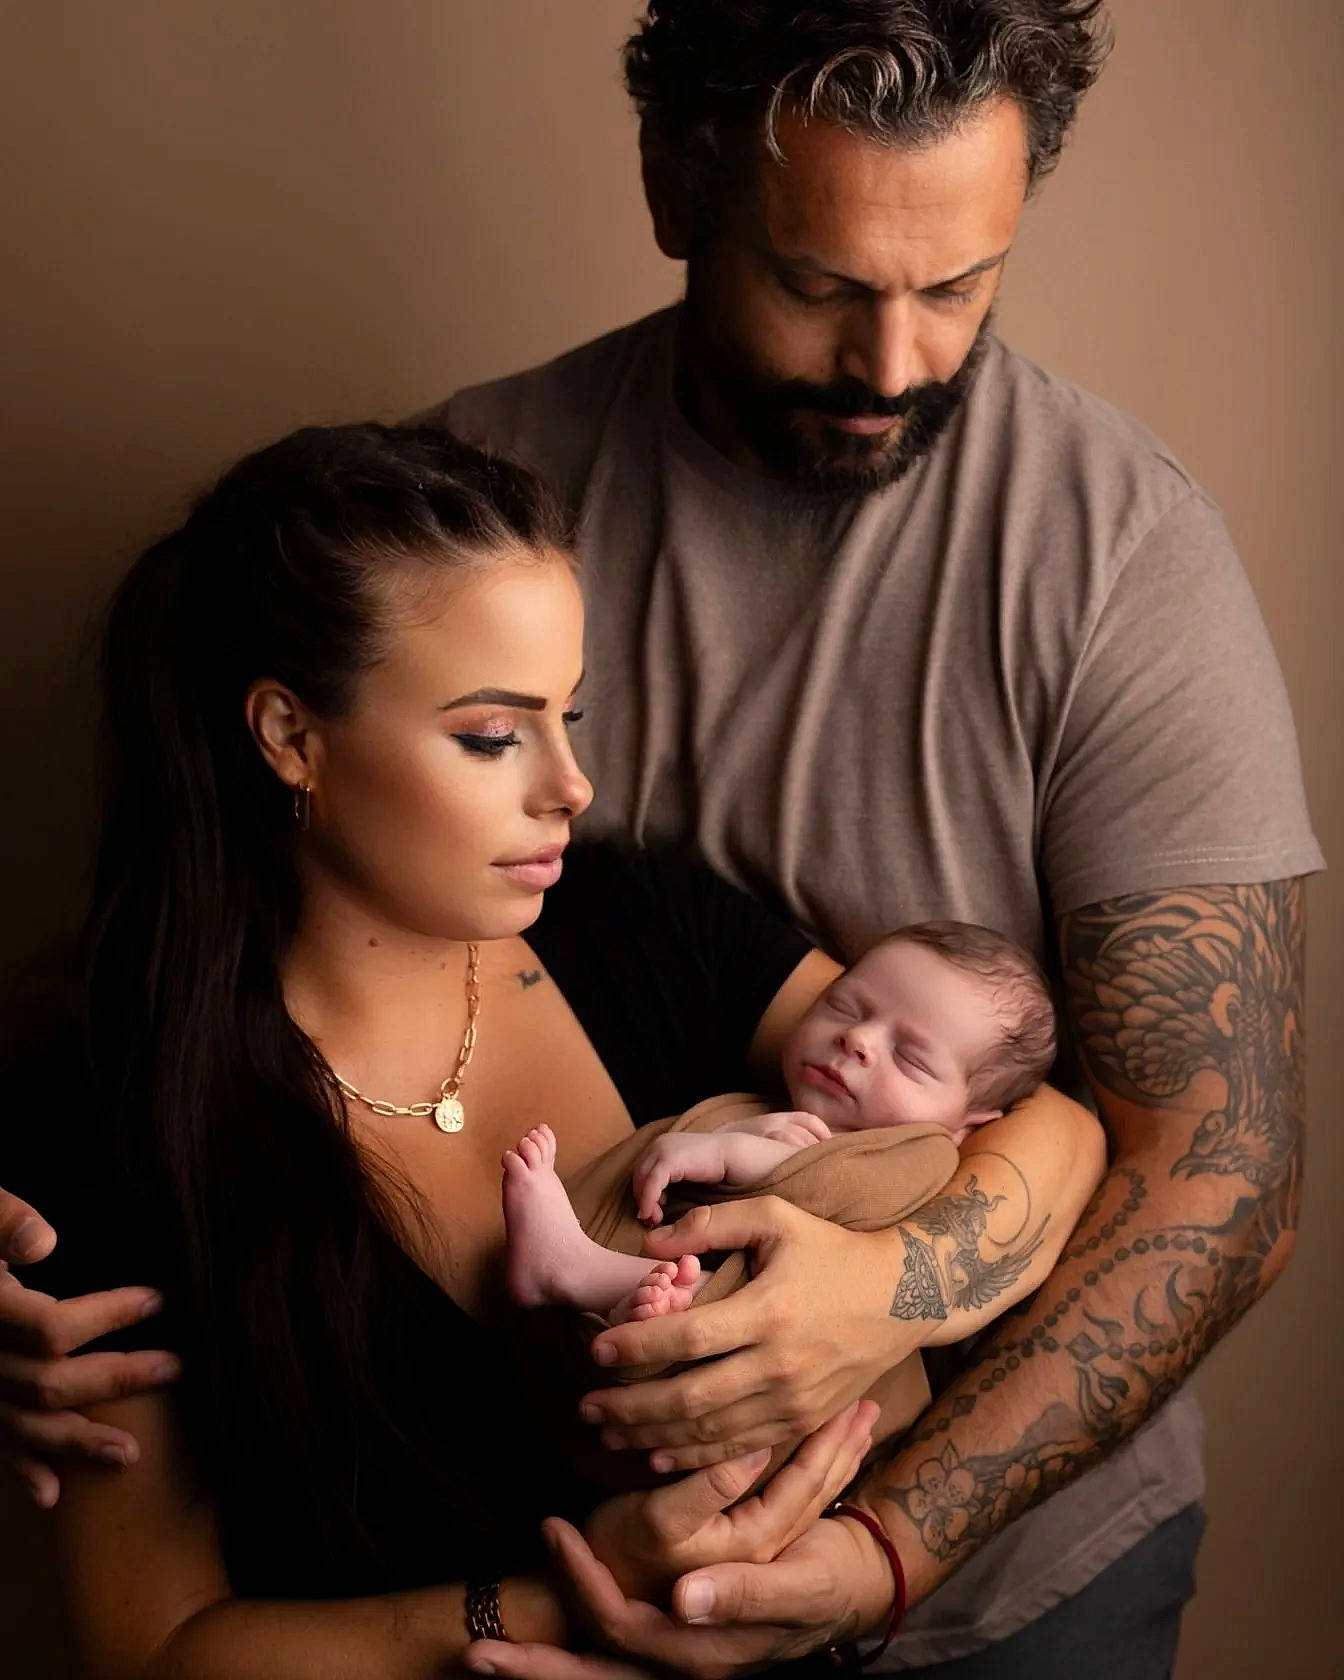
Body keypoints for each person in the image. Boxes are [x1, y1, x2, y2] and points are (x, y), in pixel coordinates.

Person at [0, 2, 1323, 1675]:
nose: (896, 362)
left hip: (1000, 1581)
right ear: (672, 191)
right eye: (820, 285)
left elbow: (1206, 1171)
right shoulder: (480, 498)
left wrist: (877, 1425)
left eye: (958, 286)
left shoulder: (1109, 553)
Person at [0, 421, 1101, 1677]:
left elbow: (1047, 1128)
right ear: (289, 735)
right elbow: (154, 1650)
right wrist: (573, 1601)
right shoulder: (110, 1117)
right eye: (490, 735)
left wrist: (870, 1296)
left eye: (569, 716)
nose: (572, 785)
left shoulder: (640, 923)